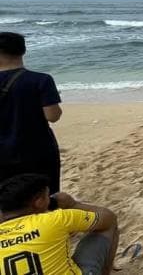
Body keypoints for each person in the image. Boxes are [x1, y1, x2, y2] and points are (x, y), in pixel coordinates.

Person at [0, 173, 119, 275]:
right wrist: (73, 205)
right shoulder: (56, 219)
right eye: (48, 197)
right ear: (39, 202)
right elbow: (108, 218)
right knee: (107, 226)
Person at [0, 32, 63, 194]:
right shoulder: (41, 80)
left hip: (2, 155)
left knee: (7, 201)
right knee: (44, 197)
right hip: (37, 150)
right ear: (23, 51)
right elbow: (53, 116)